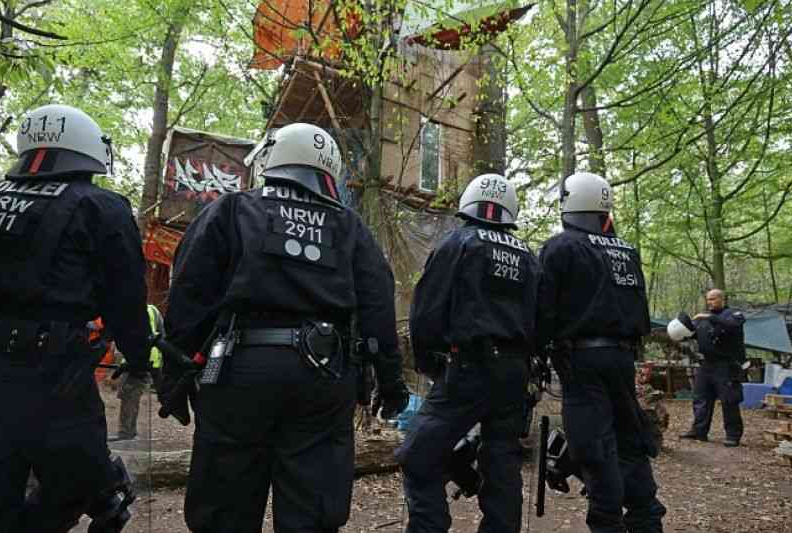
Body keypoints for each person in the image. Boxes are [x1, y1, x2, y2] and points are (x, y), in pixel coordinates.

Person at [160, 122, 409, 532]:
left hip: (238, 372)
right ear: (329, 171)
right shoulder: (350, 228)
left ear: (272, 160)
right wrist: (390, 382)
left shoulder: (232, 209)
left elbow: (190, 290)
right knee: (311, 514)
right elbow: (378, 306)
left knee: (225, 509)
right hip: (323, 379)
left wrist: (176, 372)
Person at [0, 104, 151, 532]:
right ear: (87, 151)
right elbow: (125, 296)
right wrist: (140, 357)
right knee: (80, 483)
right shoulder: (99, 206)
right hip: (49, 373)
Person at [395, 174, 538, 533]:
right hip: (514, 373)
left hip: (468, 369)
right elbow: (542, 317)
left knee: (417, 456)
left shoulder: (457, 243)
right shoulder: (529, 257)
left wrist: (430, 364)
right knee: (502, 461)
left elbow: (427, 310)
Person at [537, 172, 665, 533]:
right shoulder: (627, 251)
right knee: (628, 439)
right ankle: (646, 518)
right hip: (622, 359)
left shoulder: (560, 248)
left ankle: (607, 522)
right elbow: (639, 313)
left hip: (582, 363)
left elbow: (542, 310)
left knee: (593, 448)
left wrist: (538, 353)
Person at [680, 289, 746, 447]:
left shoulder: (733, 315)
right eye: (708, 299)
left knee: (729, 400)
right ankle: (699, 431)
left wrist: (710, 317)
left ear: (722, 299)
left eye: (713, 299)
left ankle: (732, 435)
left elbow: (732, 325)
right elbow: (690, 334)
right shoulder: (703, 320)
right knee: (700, 397)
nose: (709, 302)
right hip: (706, 364)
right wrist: (681, 327)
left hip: (727, 365)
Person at [110, 303, 165, 441]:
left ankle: (126, 432)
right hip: (148, 360)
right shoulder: (152, 310)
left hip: (138, 361)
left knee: (130, 396)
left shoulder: (127, 311)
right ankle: (128, 430)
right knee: (130, 395)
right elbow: (162, 335)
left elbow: (124, 339)